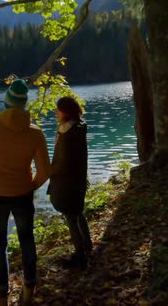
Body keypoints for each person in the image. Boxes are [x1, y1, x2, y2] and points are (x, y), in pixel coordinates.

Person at [0, 79, 51, 306]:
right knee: (27, 240)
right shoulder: (36, 133)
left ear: (6, 104)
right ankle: (28, 292)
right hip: (23, 194)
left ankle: (0, 297)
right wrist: (31, 186)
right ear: (25, 106)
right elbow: (44, 172)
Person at [47, 96, 93, 268]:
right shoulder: (79, 126)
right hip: (79, 178)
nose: (55, 112)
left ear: (64, 111)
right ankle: (87, 245)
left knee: (71, 217)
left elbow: (62, 161)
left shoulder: (66, 132)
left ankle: (80, 257)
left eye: (57, 109)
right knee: (78, 212)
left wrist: (49, 171)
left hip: (67, 182)